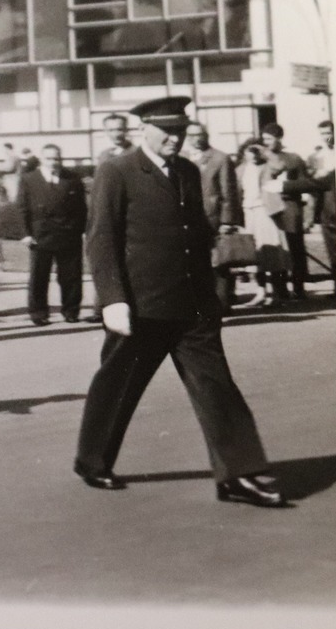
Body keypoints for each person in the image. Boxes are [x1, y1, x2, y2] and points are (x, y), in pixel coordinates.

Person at [73, 96, 285, 507]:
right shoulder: (116, 171)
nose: (176, 138)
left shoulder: (188, 170)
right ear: (144, 130)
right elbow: (101, 239)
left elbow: (194, 231)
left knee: (217, 387)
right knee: (118, 385)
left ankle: (237, 475)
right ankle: (92, 461)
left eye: (182, 131)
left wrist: (212, 291)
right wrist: (113, 300)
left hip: (192, 304)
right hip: (141, 305)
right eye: (168, 131)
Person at [17, 143, 87, 325]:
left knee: (71, 277)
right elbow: (22, 208)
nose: (53, 162)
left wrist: (82, 230)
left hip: (68, 234)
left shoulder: (72, 178)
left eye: (57, 158)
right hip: (41, 236)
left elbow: (81, 208)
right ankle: (38, 313)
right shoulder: (29, 179)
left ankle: (71, 311)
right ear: (41, 159)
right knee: (39, 277)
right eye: (49, 158)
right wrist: (26, 234)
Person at [184, 122, 244, 308]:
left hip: (213, 218)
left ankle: (222, 302)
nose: (197, 138)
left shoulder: (220, 158)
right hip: (187, 218)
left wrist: (227, 221)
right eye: (192, 135)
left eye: (200, 134)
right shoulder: (180, 157)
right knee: (194, 262)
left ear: (207, 135)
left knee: (220, 262)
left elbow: (229, 193)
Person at [258, 122, 310, 300]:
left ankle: (299, 286)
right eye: (264, 139)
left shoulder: (293, 159)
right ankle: (280, 289)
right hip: (268, 206)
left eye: (269, 139)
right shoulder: (261, 157)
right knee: (275, 247)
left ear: (279, 138)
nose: (266, 143)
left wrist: (287, 186)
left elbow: (305, 183)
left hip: (289, 205)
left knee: (295, 245)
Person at [236, 139, 289, 307]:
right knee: (253, 254)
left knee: (273, 252)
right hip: (247, 212)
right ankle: (260, 291)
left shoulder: (268, 167)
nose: (252, 154)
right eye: (248, 150)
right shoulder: (240, 170)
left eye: (255, 150)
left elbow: (280, 165)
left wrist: (266, 152)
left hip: (265, 212)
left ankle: (278, 293)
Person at [291, 118, 336, 300]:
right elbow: (311, 184)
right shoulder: (316, 157)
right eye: (323, 134)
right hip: (325, 207)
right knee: (332, 249)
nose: (326, 137)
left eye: (328, 133)